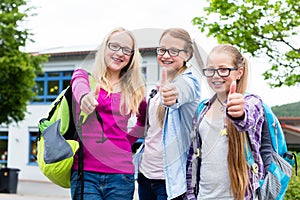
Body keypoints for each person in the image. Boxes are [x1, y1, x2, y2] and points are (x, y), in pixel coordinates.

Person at [70, 27, 147, 200]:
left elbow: (143, 121)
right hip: (85, 173)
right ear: (104, 48)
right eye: (114, 46)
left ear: (132, 56)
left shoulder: (135, 90)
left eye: (126, 50)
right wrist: (84, 98)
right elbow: (78, 82)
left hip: (121, 176)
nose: (120, 53)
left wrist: (124, 142)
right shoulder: (86, 77)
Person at [185, 44, 265, 200]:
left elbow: (245, 120)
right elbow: (193, 158)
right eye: (210, 70)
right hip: (203, 196)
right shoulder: (202, 109)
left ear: (239, 72)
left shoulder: (252, 102)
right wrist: (190, 195)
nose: (215, 76)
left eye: (223, 70)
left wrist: (238, 114)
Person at [134, 28, 201, 200]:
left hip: (169, 182)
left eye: (174, 51)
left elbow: (181, 91)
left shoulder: (189, 81)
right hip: (145, 176)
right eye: (162, 50)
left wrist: (172, 94)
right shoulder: (157, 88)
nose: (165, 55)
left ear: (187, 54)